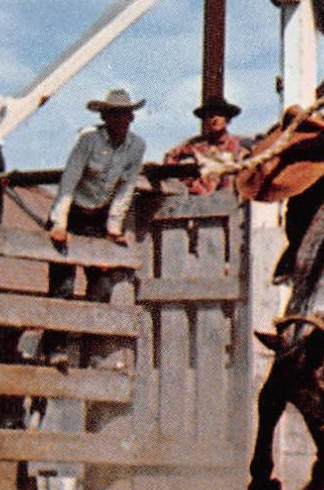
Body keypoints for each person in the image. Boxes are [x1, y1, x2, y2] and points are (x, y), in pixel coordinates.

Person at [43, 88, 146, 371]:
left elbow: (126, 188)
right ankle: (54, 347)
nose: (121, 120)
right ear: (104, 116)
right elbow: (70, 179)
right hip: (74, 211)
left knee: (101, 283)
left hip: (98, 217)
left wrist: (114, 226)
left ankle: (89, 348)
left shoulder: (136, 147)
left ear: (132, 117)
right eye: (115, 114)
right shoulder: (88, 141)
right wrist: (60, 223)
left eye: (125, 114)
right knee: (63, 284)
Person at [162, 96, 250, 195]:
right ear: (206, 120)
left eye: (220, 115)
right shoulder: (195, 145)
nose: (215, 119)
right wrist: (187, 180)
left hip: (232, 202)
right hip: (201, 202)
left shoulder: (240, 145)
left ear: (227, 119)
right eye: (211, 115)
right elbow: (171, 157)